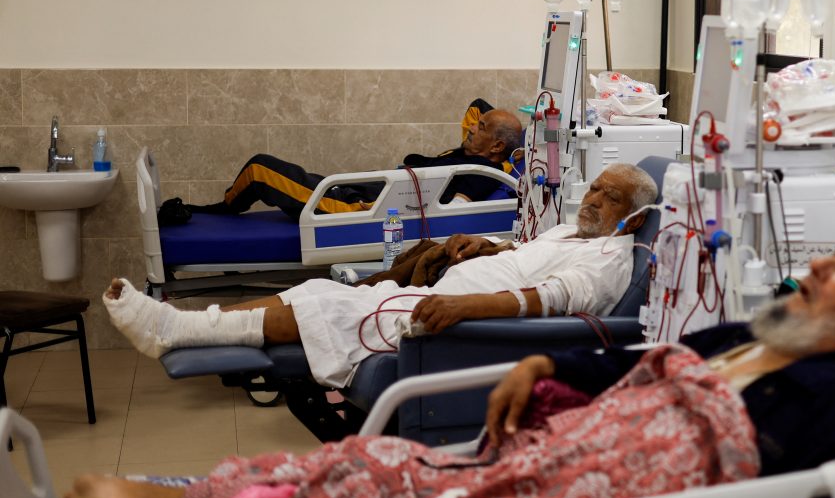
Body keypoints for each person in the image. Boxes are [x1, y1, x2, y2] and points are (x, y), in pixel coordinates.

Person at [6, 243, 835, 498]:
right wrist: (541, 361)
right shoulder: (743, 334)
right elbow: (630, 365)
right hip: (572, 444)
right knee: (384, 465)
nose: (816, 272)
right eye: (828, 259)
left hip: (630, 493)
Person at [104, 163, 660, 389]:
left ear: (632, 215)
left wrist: (465, 307)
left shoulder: (607, 260)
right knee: (319, 289)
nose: (592, 198)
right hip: (433, 296)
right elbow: (528, 258)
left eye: (608, 196)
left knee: (329, 309)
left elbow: (548, 298)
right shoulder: (572, 233)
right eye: (594, 187)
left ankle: (176, 330)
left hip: (454, 325)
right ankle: (182, 322)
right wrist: (491, 245)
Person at [187, 105, 524, 220]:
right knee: (272, 171)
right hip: (370, 188)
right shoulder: (472, 154)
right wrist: (519, 150)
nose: (469, 128)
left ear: (495, 144)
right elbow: (478, 105)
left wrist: (512, 157)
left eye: (479, 128)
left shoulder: (484, 171)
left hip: (365, 207)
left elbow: (453, 210)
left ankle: (219, 211)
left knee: (261, 168)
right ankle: (222, 209)